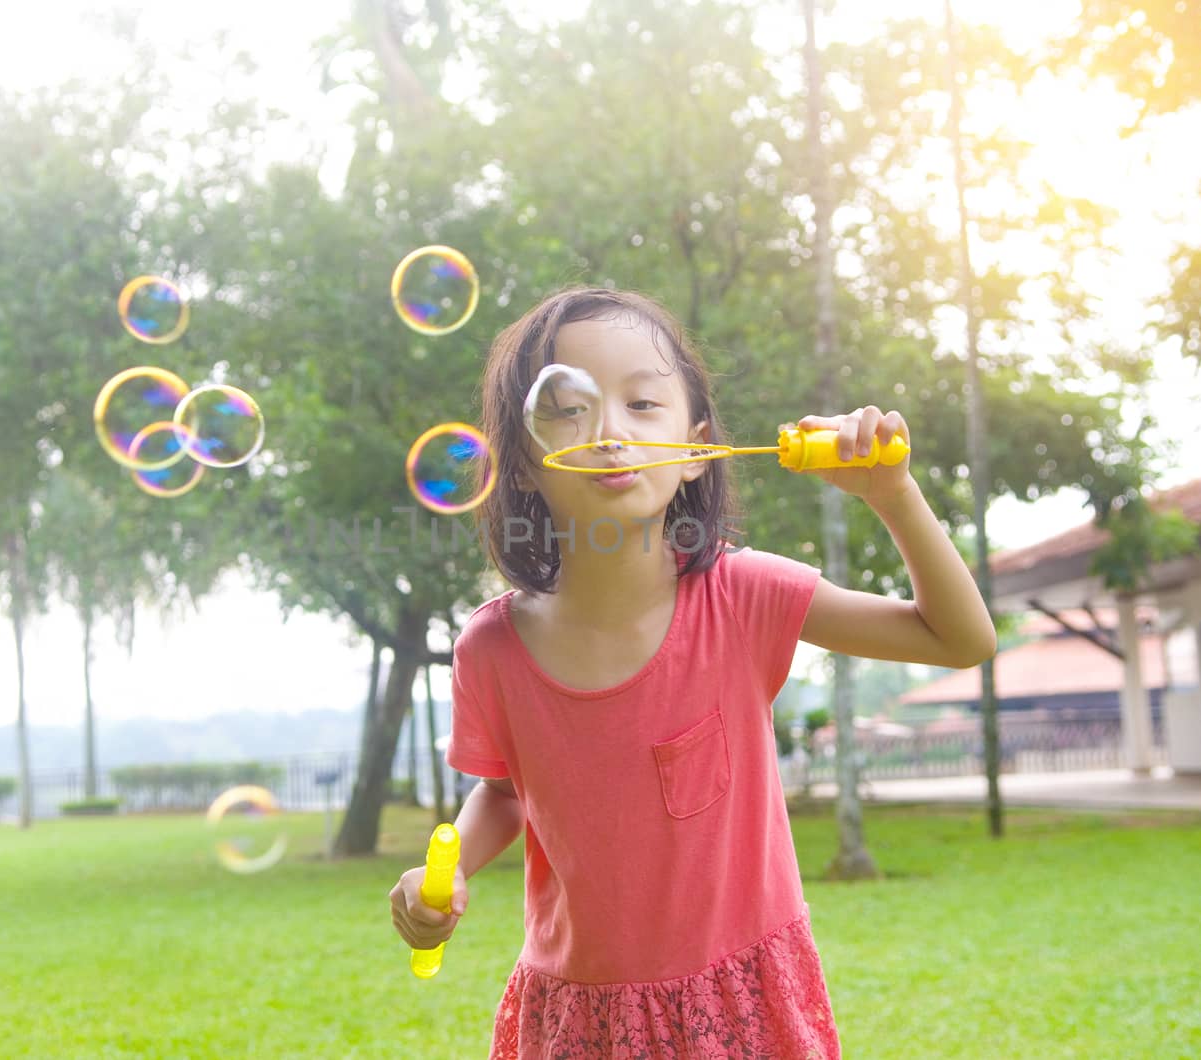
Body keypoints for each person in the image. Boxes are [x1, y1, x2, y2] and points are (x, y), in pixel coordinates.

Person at [388, 288, 996, 1058]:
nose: (609, 431)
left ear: (695, 444)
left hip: (741, 1005)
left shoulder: (745, 598)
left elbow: (959, 638)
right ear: (524, 467)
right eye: (568, 407)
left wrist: (894, 495)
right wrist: (447, 873)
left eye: (643, 403)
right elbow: (507, 792)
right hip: (581, 1019)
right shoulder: (493, 650)